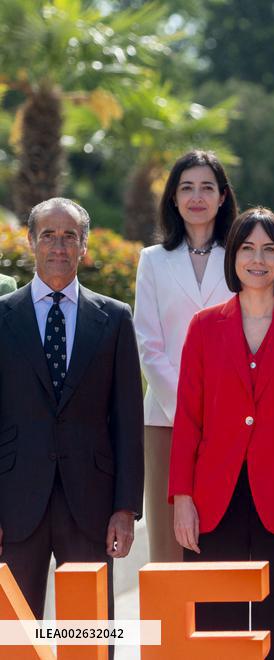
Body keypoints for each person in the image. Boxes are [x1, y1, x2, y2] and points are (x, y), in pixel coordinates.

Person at [169, 207, 274, 660]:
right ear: (234, 257)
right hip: (213, 499)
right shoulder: (204, 327)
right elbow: (188, 419)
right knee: (214, 628)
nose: (257, 259)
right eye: (247, 248)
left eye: (268, 249)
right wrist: (182, 497)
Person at [0, 197, 143, 618]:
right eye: (48, 235)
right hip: (15, 501)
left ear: (84, 246)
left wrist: (125, 508)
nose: (59, 246)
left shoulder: (115, 318)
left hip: (92, 504)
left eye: (70, 237)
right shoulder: (2, 317)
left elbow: (128, 421)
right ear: (31, 241)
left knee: (90, 630)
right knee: (14, 634)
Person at [134, 150, 238, 563]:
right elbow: (148, 342)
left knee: (221, 538)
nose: (197, 197)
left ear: (223, 196)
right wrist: (188, 411)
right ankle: (169, 630)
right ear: (173, 198)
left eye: (207, 188)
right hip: (165, 419)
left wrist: (219, 410)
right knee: (169, 543)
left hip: (231, 418)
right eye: (187, 188)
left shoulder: (242, 255)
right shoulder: (153, 261)